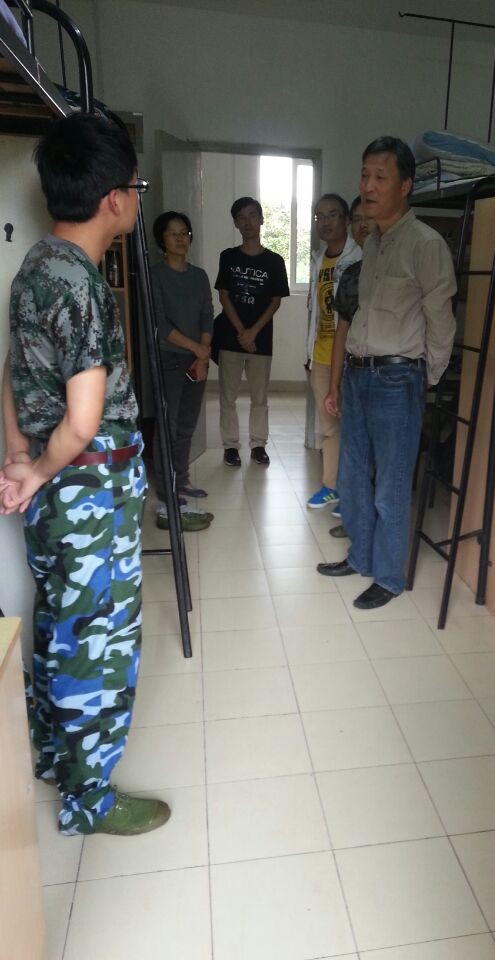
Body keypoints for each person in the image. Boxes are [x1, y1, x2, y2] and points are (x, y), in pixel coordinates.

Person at [0, 113, 170, 835]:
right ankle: (88, 800)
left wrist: (18, 456)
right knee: (99, 644)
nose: (136, 198)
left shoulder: (36, 266)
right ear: (114, 199)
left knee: (60, 626)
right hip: (88, 490)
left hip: (56, 491)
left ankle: (51, 755)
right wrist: (39, 469)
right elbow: (83, 419)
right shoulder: (83, 287)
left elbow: (11, 371)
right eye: (135, 186)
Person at [317, 137, 456, 609]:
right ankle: (360, 557)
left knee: (391, 485)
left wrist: (423, 378)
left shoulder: (426, 244)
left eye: (380, 177)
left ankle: (390, 577)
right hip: (359, 375)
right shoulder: (373, 243)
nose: (369, 186)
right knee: (354, 479)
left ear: (405, 185)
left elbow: (441, 322)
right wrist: (343, 378)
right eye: (364, 175)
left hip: (397, 380)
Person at [214, 197, 289, 468]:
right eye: (242, 217)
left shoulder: (274, 261)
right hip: (230, 338)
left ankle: (258, 445)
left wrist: (253, 332)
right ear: (235, 223)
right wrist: (241, 331)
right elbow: (224, 296)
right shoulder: (228, 257)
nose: (248, 221)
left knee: (260, 398)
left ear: (261, 219)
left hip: (261, 341)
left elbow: (276, 301)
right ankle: (230, 447)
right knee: (228, 398)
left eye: (252, 215)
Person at [151, 210, 214, 531]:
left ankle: (182, 480)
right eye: (173, 233)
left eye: (184, 233)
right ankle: (166, 492)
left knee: (187, 426)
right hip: (170, 360)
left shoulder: (199, 276)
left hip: (195, 361)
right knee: (168, 426)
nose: (180, 238)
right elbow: (160, 324)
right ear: (161, 240)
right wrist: (196, 349)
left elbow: (207, 315)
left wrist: (202, 356)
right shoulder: (155, 275)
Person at [305, 193, 362, 510]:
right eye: (319, 216)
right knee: (329, 428)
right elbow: (314, 311)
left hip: (353, 358)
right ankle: (332, 487)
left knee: (354, 428)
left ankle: (352, 492)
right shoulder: (318, 259)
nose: (324, 222)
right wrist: (309, 355)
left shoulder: (359, 257)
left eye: (332, 215)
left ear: (346, 220)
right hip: (322, 356)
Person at [323, 196, 375, 537]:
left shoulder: (399, 268)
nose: (362, 224)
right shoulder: (352, 274)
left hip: (391, 376)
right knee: (356, 452)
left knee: (380, 457)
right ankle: (357, 522)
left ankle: (371, 528)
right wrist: (335, 384)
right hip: (356, 374)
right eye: (356, 219)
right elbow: (341, 331)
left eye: (368, 217)